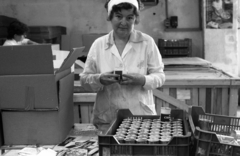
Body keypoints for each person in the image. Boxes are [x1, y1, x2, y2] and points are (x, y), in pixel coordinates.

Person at [80, 0, 165, 128]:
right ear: (110, 17)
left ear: (135, 19)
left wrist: (142, 80)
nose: (124, 22)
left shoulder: (147, 43)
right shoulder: (99, 45)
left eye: (129, 17)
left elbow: (160, 76)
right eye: (118, 16)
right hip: (107, 119)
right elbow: (84, 80)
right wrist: (99, 79)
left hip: (140, 117)